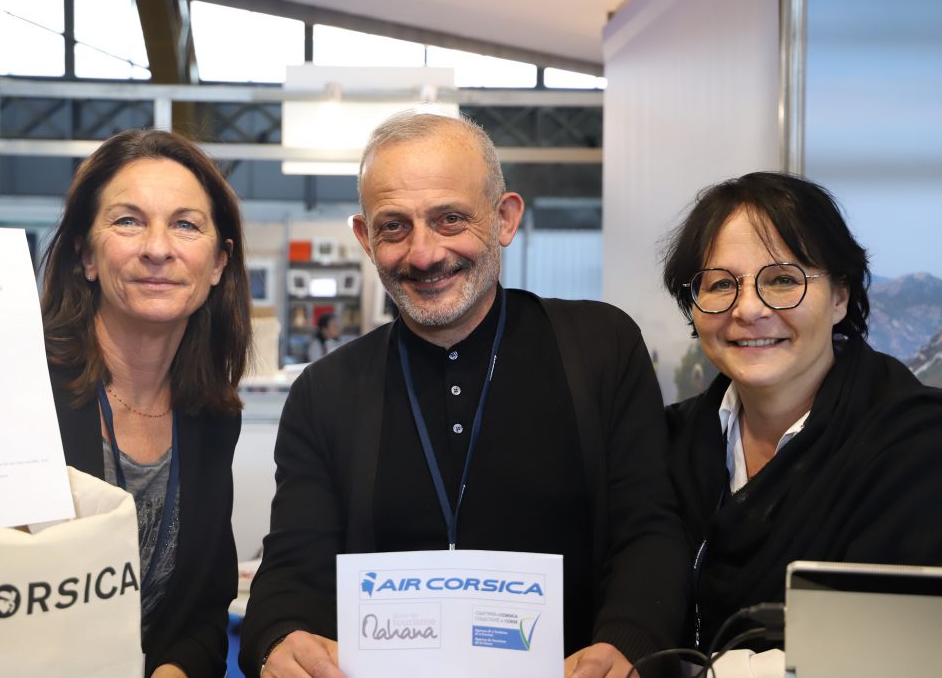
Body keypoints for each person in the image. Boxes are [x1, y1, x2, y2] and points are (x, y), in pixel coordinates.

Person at [240, 111, 688, 678]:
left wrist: (629, 642)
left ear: (504, 219)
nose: (424, 254)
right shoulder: (324, 392)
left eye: (450, 219)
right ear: (365, 239)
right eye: (394, 227)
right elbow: (290, 566)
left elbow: (648, 528)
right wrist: (279, 637)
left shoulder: (601, 348)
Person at [662, 172, 942, 658]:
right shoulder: (666, 443)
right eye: (721, 284)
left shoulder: (916, 446)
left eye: (783, 280)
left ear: (840, 296)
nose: (748, 310)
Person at [40, 128, 252, 677]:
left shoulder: (213, 418)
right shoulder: (27, 395)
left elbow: (205, 609)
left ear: (218, 263)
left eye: (185, 225)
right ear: (86, 254)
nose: (157, 249)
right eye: (128, 221)